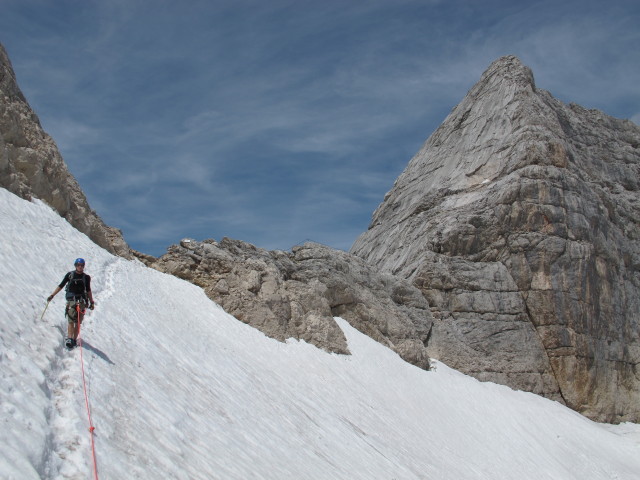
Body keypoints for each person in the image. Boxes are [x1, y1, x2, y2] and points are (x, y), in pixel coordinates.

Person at [48, 258, 95, 349]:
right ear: (75, 265)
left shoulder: (86, 277)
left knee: (78, 321)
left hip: (82, 301)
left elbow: (88, 290)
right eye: (78, 265)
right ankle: (70, 338)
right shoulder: (70, 275)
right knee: (71, 319)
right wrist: (52, 295)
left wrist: (91, 302)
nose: (80, 267)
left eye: (81, 265)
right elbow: (61, 285)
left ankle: (73, 339)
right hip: (72, 300)